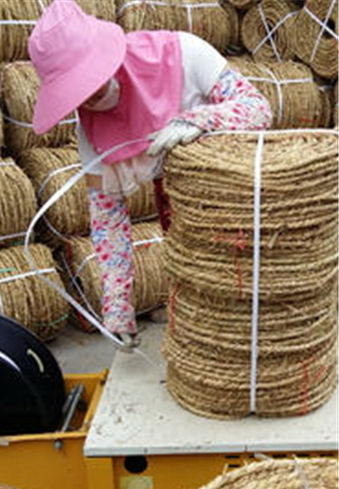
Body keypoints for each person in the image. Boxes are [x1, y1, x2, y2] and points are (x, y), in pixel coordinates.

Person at [28, 0, 272, 350]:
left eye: (91, 84)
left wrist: (199, 120)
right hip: (181, 208)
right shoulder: (92, 135)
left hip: (243, 193)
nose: (87, 99)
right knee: (203, 301)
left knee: (256, 302)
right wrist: (117, 306)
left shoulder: (184, 53)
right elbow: (108, 219)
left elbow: (257, 108)